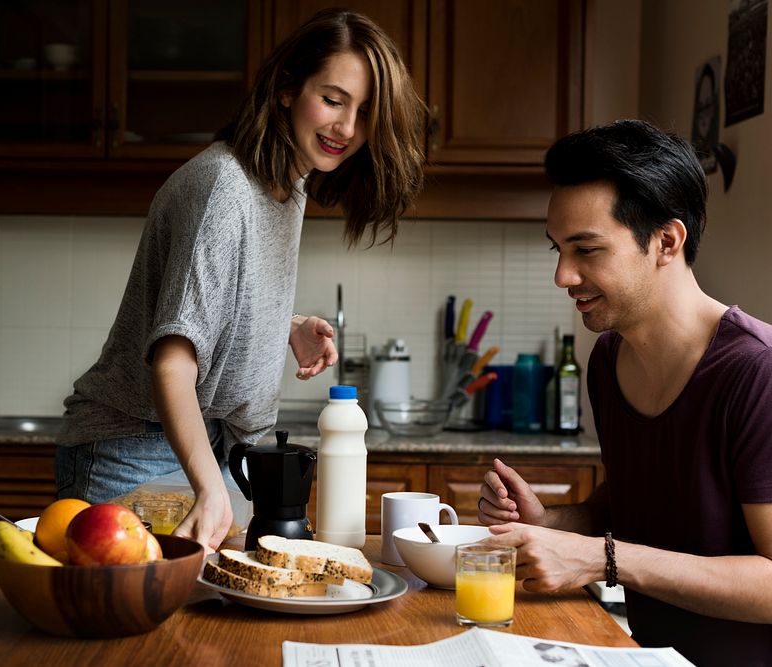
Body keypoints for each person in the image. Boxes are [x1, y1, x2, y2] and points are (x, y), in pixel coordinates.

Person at [55, 9, 426, 553]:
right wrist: (210, 488)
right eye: (333, 99)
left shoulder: (285, 185)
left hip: (199, 442)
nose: (347, 129)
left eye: (366, 112)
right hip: (132, 448)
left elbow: (211, 303)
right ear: (285, 89)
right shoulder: (224, 189)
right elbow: (174, 360)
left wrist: (285, 324)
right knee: (145, 633)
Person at [478, 120, 772, 666]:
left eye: (586, 249)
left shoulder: (758, 372)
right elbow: (637, 505)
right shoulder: (609, 359)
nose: (564, 275)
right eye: (558, 250)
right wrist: (550, 525)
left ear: (666, 241)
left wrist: (601, 559)